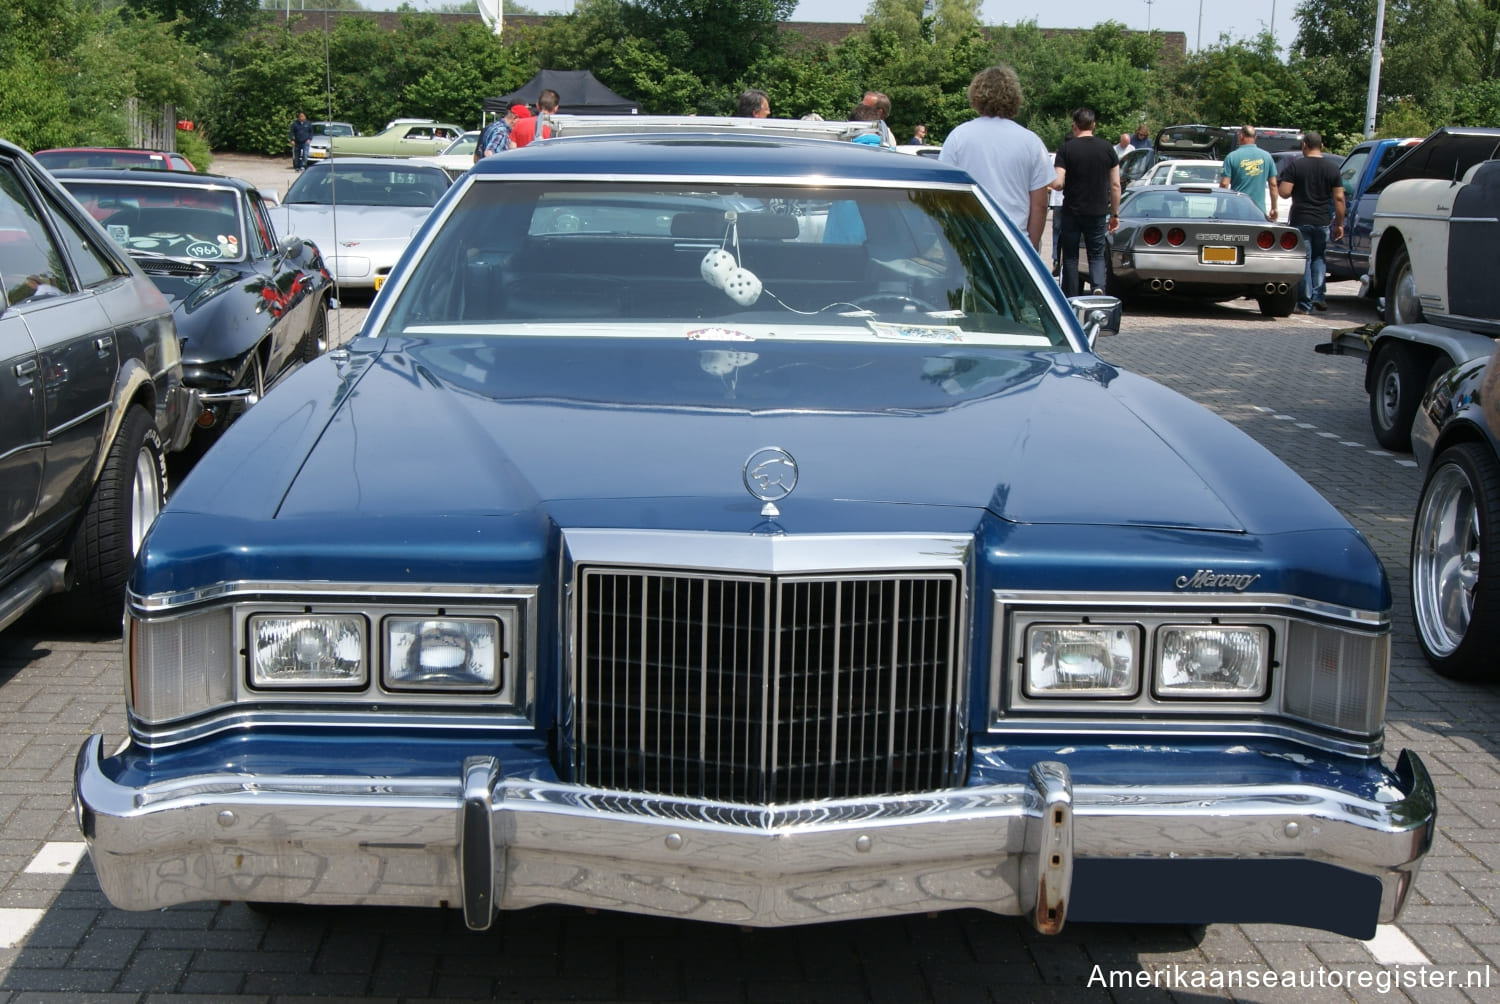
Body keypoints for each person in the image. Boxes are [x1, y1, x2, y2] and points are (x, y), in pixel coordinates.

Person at [938, 65, 1053, 250]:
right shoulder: (1031, 141)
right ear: (1014, 97)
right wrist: (1029, 248)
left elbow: (944, 194)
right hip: (1015, 242)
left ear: (976, 95)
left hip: (971, 239)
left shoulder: (959, 136)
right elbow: (1039, 204)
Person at [1051, 107, 1121, 297]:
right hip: (1097, 210)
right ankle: (1098, 286)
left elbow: (1058, 183)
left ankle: (1071, 296)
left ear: (1074, 125)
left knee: (1071, 256)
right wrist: (1115, 214)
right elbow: (1115, 185)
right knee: (1096, 253)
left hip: (1072, 211)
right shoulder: (1107, 149)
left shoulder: (1066, 149)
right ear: (1094, 125)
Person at [1277, 130, 1345, 312]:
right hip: (1323, 220)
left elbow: (1284, 193)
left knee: (1304, 259)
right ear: (1321, 146)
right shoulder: (1332, 168)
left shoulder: (1296, 166)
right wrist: (1339, 223)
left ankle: (1305, 303)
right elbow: (1339, 198)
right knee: (1319, 258)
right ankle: (1319, 296)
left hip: (1301, 219)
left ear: (1304, 145)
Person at [1219, 125, 1278, 220]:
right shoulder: (1267, 156)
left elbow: (1224, 184)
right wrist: (1274, 208)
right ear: (1256, 137)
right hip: (1259, 210)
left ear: (1241, 135)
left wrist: (1219, 207)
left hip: (1236, 210)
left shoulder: (1231, 157)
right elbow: (1273, 184)